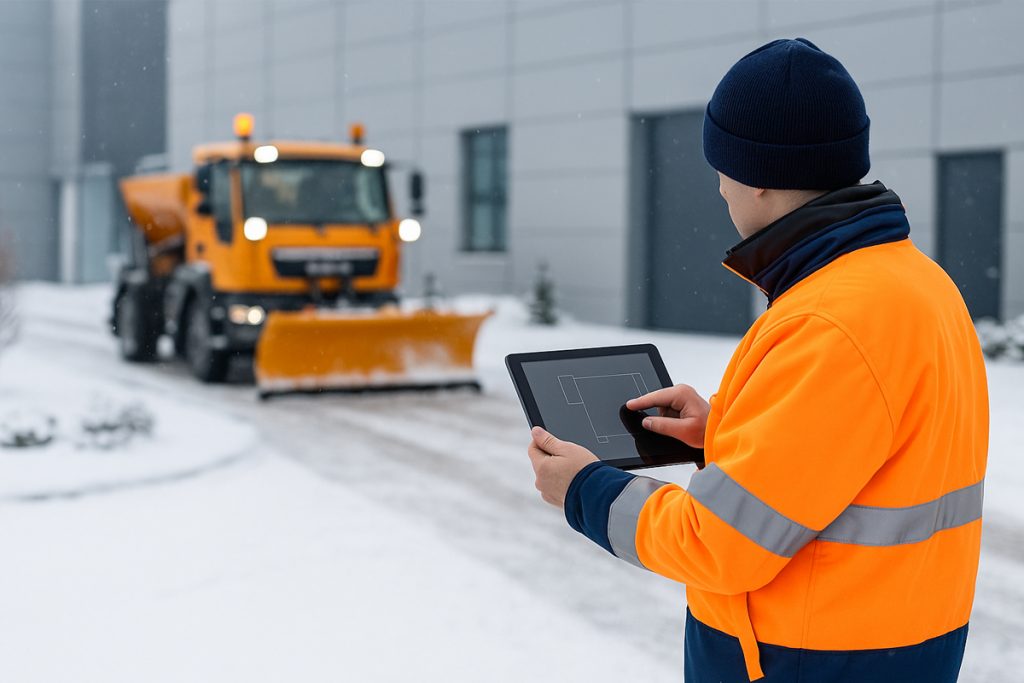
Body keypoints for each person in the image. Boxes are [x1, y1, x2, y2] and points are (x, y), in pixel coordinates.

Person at [526, 37, 988, 682]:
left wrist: (585, 490)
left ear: (758, 176)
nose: (720, 188)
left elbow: (719, 544)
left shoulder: (827, 320)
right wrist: (724, 430)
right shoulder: (917, 283)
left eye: (721, 169)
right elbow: (859, 453)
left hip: (806, 660)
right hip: (897, 646)